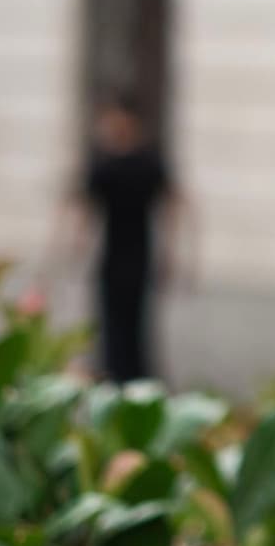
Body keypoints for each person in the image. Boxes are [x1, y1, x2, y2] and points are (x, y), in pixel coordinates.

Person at [61, 95, 188, 384]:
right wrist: (75, 245)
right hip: (112, 256)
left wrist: (173, 252)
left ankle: (136, 381)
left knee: (136, 325)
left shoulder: (146, 163)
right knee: (111, 325)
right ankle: (116, 378)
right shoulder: (105, 165)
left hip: (140, 256)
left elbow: (174, 203)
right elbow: (83, 207)